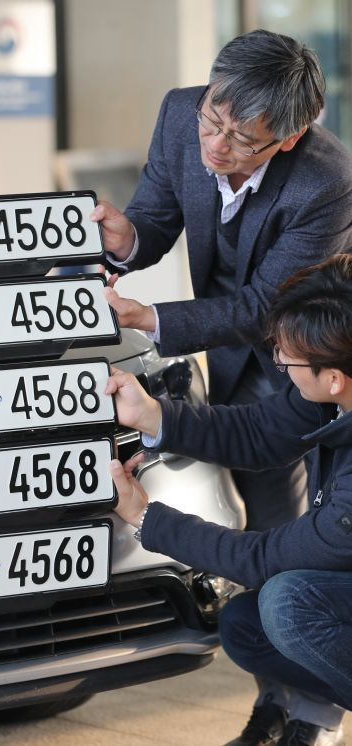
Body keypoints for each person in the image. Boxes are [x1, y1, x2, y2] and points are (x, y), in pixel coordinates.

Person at [91, 29, 352, 739]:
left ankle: (311, 713)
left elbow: (266, 308)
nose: (216, 144)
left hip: (307, 348)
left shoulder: (327, 178)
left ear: (289, 139)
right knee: (261, 549)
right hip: (242, 357)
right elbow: (155, 217)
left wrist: (148, 318)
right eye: (213, 120)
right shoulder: (183, 112)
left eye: (242, 139)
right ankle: (279, 698)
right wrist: (128, 240)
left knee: (289, 543)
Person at [105, 253, 352, 746]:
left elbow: (263, 558)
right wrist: (152, 414)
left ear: (332, 379)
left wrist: (145, 516)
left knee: (289, 604)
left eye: (288, 359)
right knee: (246, 623)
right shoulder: (336, 390)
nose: (278, 364)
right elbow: (259, 431)